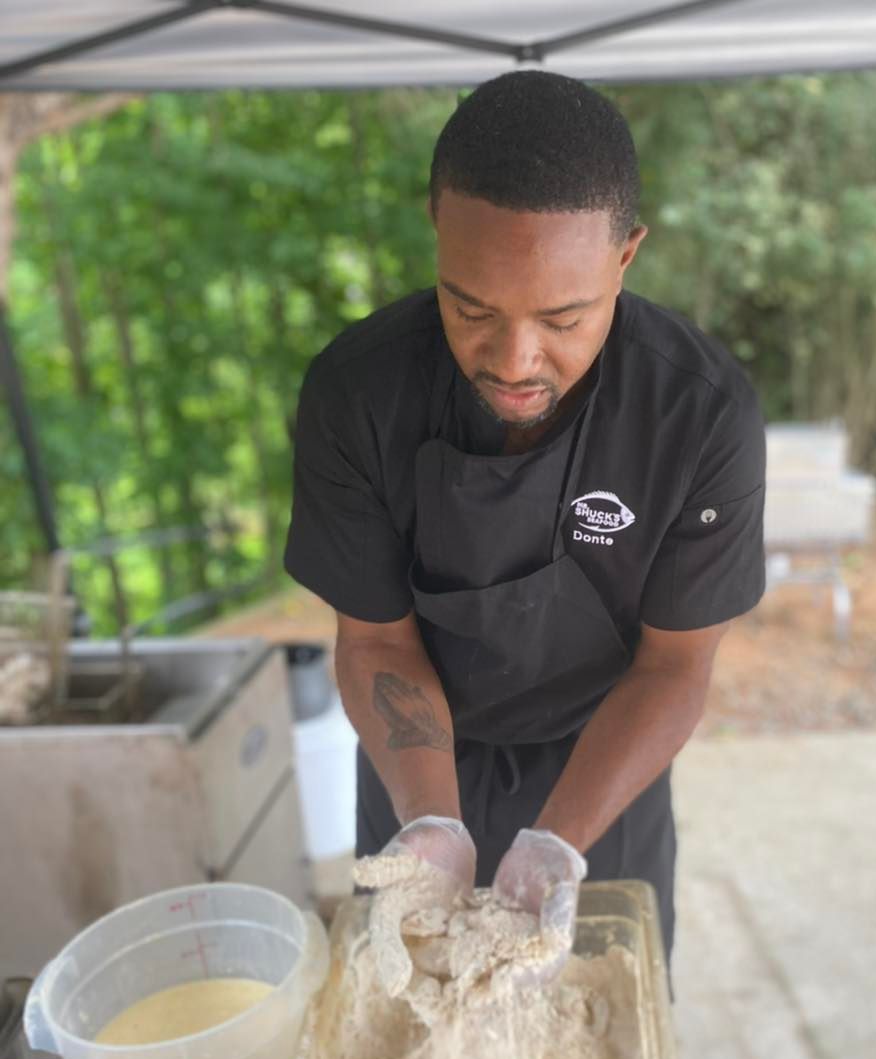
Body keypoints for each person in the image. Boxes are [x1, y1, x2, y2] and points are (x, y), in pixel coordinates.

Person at [284, 71, 766, 974]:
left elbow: (674, 665)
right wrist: (431, 822)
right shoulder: (357, 395)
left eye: (563, 318)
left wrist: (557, 842)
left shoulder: (698, 414)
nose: (513, 361)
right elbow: (377, 641)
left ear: (625, 257)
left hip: (604, 784)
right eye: (470, 308)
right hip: (414, 774)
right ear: (436, 228)